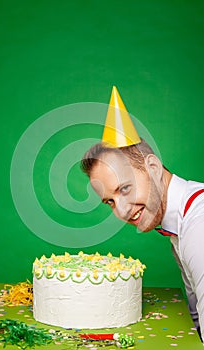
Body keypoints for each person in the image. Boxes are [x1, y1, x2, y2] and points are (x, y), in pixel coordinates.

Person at [81, 86, 204, 342]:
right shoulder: (178, 227)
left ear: (153, 167)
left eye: (125, 188)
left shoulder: (198, 226)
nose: (122, 210)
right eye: (110, 202)